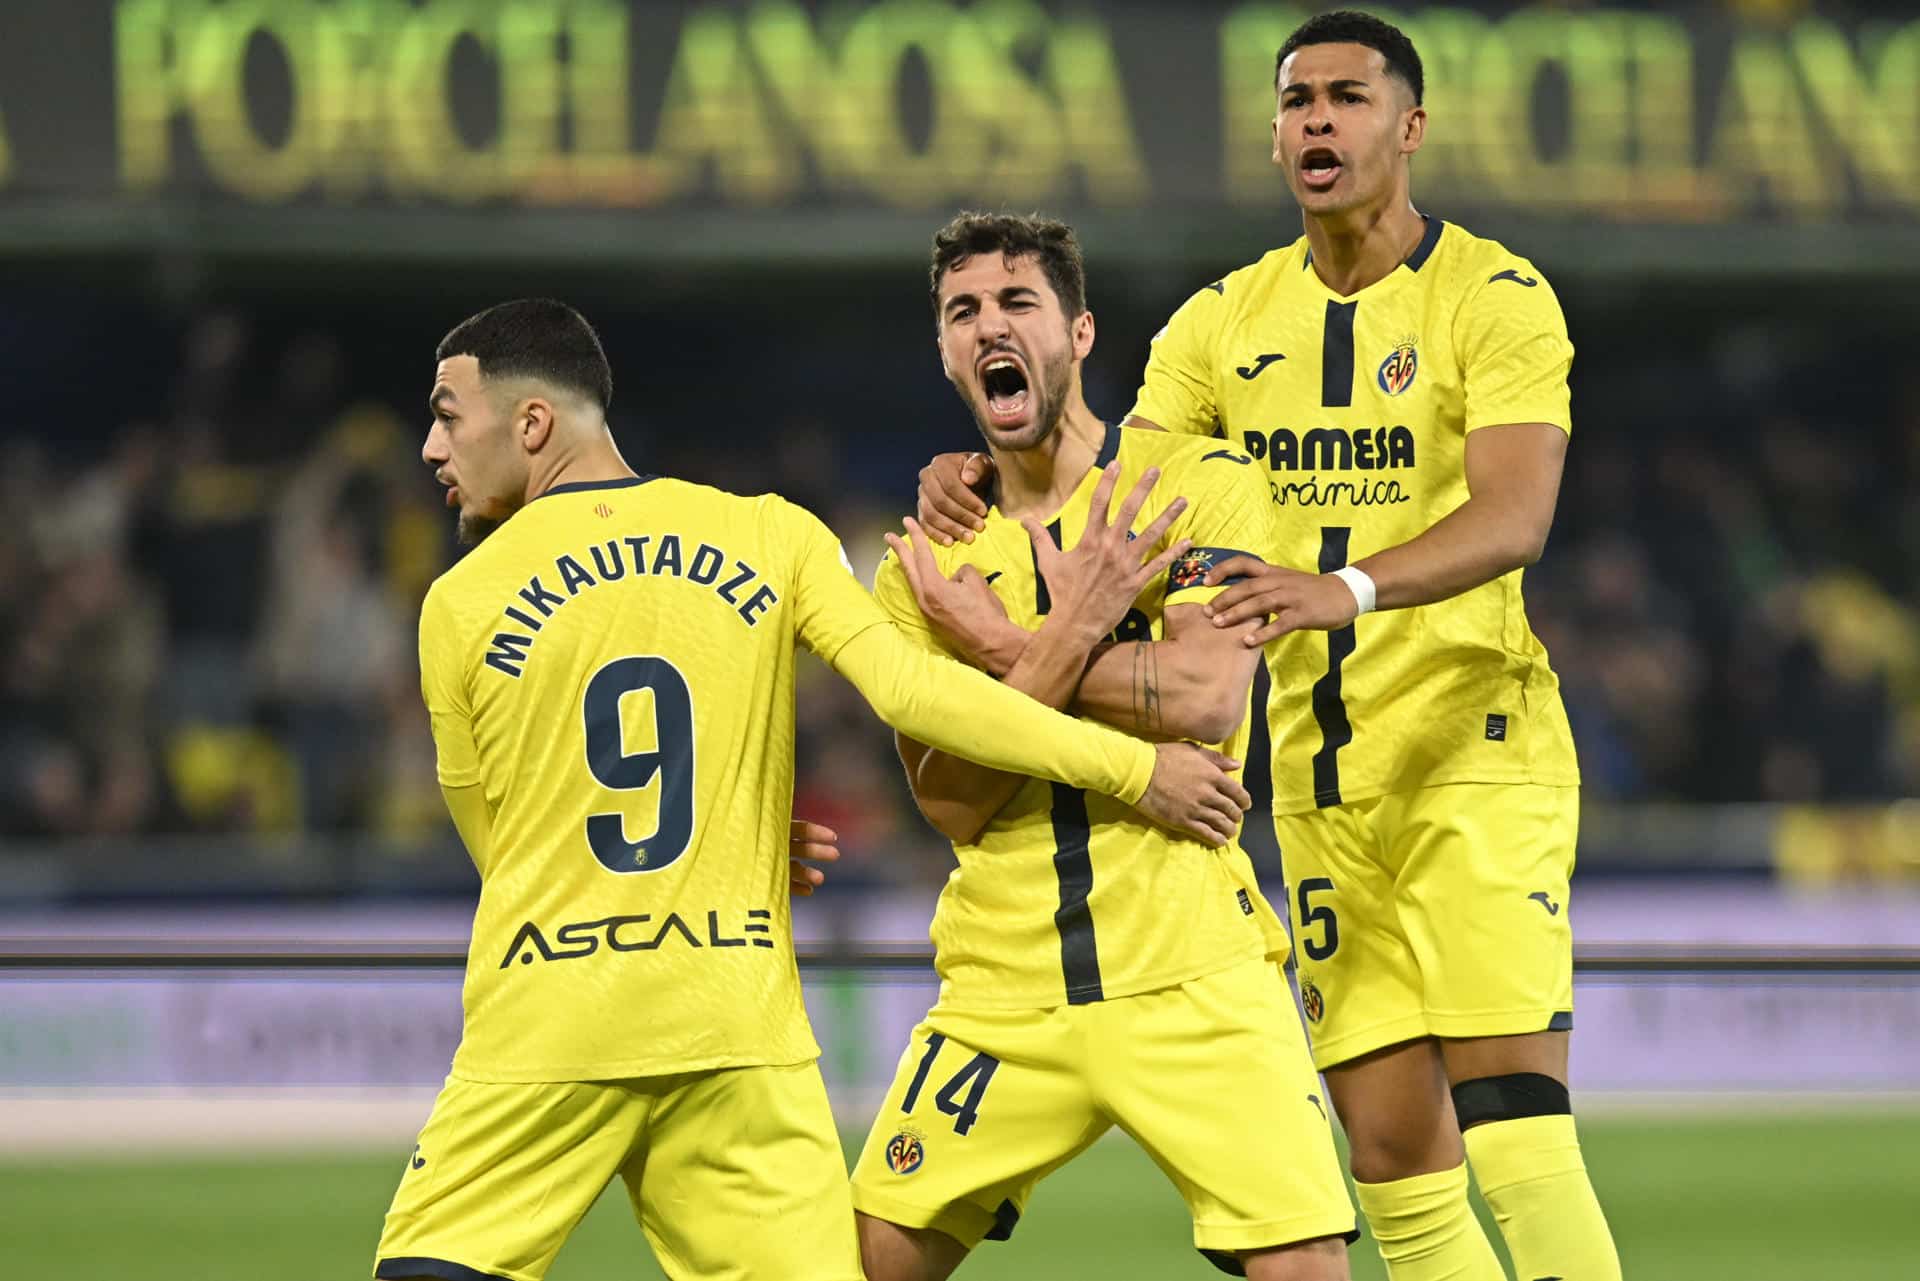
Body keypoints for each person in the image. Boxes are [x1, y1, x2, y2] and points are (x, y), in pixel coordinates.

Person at [912, 13, 1621, 1281]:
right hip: (1312, 780)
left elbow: (1516, 517)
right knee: (1395, 1161)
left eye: (1348, 97)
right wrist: (977, 463)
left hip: (1472, 752)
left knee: (1514, 1128)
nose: (1317, 121)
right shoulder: (1221, 322)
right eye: (1297, 102)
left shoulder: (1494, 296)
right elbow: (1115, 479)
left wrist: (1340, 589)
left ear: (1409, 127)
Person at [371, 298, 1252, 1281]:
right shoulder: (768, 533)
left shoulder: (460, 601)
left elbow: (506, 853)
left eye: (447, 416)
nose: (431, 448)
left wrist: (676, 859)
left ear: (532, 422)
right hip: (737, 1035)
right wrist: (1136, 768)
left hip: (547, 1032)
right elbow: (917, 693)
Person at [851, 213, 1355, 1281]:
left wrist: (1003, 651)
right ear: (945, 352)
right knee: (867, 1262)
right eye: (964, 312)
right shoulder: (922, 567)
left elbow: (1206, 696)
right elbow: (952, 800)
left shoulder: (1196, 483)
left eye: (1018, 302)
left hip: (1194, 969)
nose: (991, 325)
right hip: (1003, 986)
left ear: (1079, 333)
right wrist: (1078, 628)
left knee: (1304, 1266)